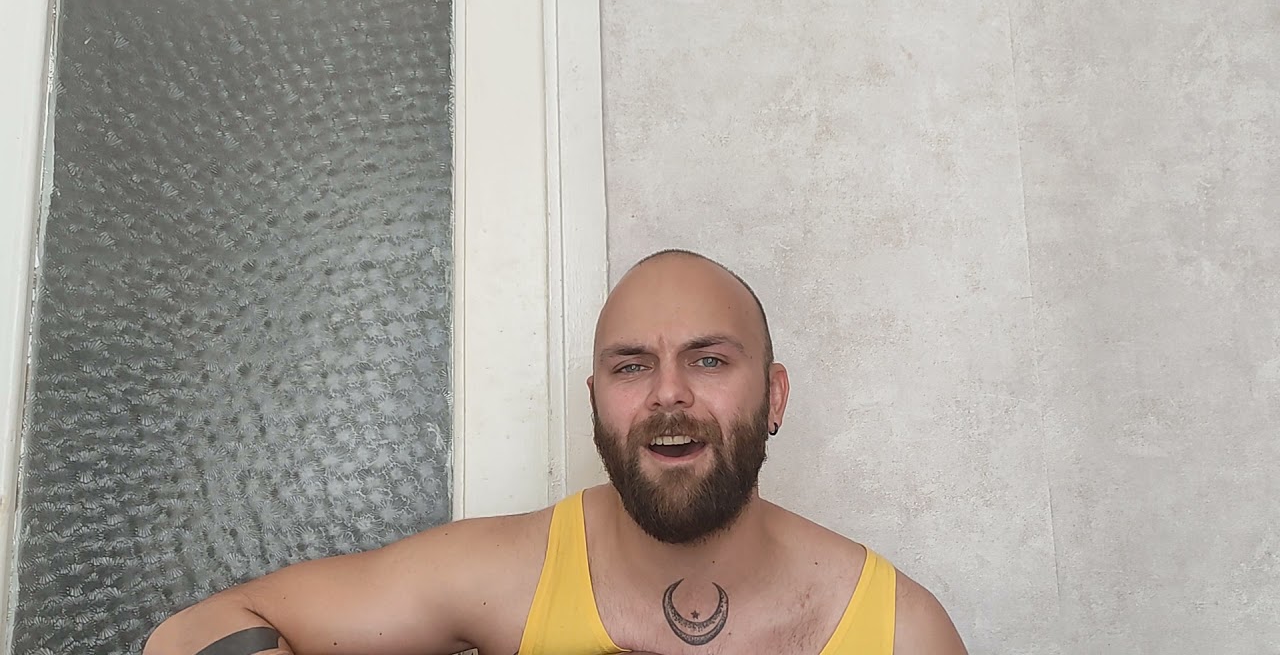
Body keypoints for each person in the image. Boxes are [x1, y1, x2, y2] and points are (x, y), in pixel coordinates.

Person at [144, 249, 969, 655]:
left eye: (710, 361)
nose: (668, 394)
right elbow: (191, 632)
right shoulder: (506, 574)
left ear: (775, 396)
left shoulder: (901, 631)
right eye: (631, 367)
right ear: (596, 403)